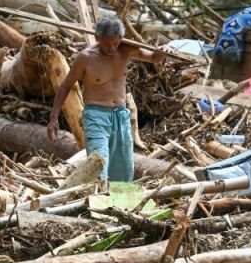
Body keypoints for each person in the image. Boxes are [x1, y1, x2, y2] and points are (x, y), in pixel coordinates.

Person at [46, 16, 166, 189]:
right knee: (98, 162)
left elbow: (155, 57)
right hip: (96, 116)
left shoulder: (126, 50)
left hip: (120, 116)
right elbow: (65, 87)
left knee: (124, 166)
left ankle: (122, 207)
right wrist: (53, 118)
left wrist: (163, 51)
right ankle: (96, 201)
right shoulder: (86, 57)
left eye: (115, 43)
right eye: (106, 43)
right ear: (97, 38)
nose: (111, 48)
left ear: (120, 39)